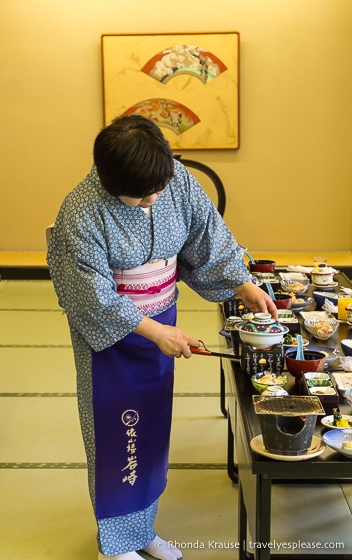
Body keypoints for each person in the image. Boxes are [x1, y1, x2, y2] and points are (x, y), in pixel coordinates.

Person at [47, 115, 277, 560]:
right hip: (113, 337)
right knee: (118, 432)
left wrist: (241, 283)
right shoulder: (81, 212)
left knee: (152, 428)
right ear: (110, 180)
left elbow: (207, 235)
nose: (155, 197)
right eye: (142, 194)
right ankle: (113, 545)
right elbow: (91, 296)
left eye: (159, 186)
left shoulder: (173, 179)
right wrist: (155, 332)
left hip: (163, 322)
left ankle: (142, 529)